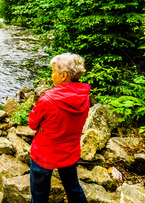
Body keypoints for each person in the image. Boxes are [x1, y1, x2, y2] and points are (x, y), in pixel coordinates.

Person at [28, 53, 90, 203]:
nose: (51, 75)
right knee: (73, 189)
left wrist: (41, 125)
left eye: (53, 71)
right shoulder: (85, 96)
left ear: (63, 76)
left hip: (44, 154)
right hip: (69, 152)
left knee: (39, 196)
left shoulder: (48, 99)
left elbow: (32, 123)